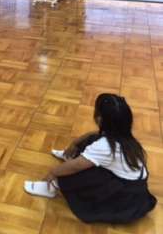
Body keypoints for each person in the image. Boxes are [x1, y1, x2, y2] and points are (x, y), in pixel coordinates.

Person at [25, 93, 157, 224]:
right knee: (91, 141)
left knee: (76, 172)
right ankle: (70, 156)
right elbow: (94, 135)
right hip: (136, 188)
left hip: (125, 198)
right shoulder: (123, 136)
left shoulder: (105, 147)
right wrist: (75, 143)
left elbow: (75, 166)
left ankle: (52, 186)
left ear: (99, 119)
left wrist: (53, 172)